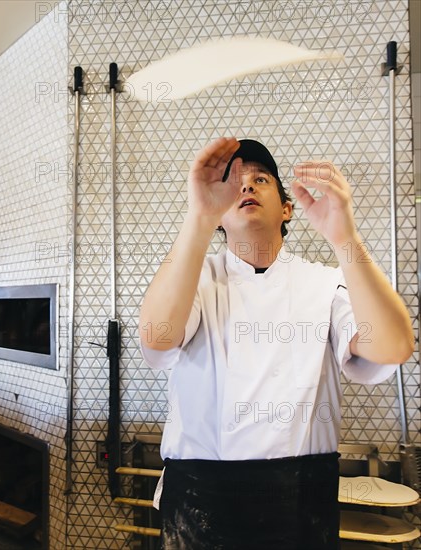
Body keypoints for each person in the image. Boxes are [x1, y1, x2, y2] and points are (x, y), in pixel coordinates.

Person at [139, 137, 414, 550]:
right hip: (199, 501)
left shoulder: (324, 283)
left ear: (286, 208)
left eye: (261, 179)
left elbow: (392, 346)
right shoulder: (195, 278)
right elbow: (158, 336)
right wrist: (197, 216)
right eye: (234, 182)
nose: (246, 186)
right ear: (218, 214)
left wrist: (345, 238)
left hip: (299, 500)